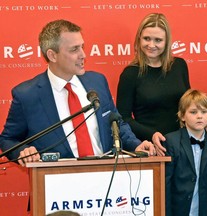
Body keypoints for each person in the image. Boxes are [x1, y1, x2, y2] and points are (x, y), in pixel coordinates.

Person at [0, 19, 155, 166]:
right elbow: (8, 140)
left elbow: (116, 123)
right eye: (74, 49)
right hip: (58, 183)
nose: (83, 55)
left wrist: (136, 145)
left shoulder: (97, 82)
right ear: (52, 55)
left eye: (82, 47)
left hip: (106, 179)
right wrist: (22, 151)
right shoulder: (27, 95)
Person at [116, 13, 207, 156]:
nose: (151, 45)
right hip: (150, 148)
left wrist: (202, 126)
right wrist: (152, 134)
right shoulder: (130, 74)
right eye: (147, 38)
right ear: (139, 38)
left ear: (166, 42)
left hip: (182, 146)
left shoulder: (179, 66)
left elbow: (190, 105)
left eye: (158, 40)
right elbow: (123, 118)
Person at [164, 89, 207, 216]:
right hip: (178, 210)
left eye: (204, 112)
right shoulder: (171, 141)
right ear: (182, 115)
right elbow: (166, 185)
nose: (199, 116)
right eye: (193, 112)